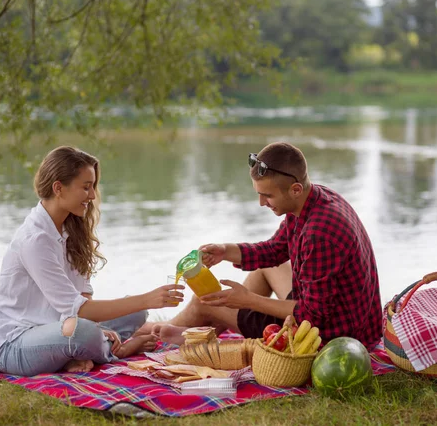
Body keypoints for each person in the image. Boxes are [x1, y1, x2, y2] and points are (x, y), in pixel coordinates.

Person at [156, 142, 382, 348]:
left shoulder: (318, 232)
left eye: (267, 196)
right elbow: (274, 250)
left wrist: (248, 300)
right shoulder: (311, 198)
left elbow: (312, 317)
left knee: (205, 301)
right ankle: (199, 334)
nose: (261, 203)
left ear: (295, 189)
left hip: (333, 335)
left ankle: (154, 334)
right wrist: (225, 251)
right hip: (338, 310)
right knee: (264, 268)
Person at [0, 146, 184, 376]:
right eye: (86, 187)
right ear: (58, 188)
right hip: (16, 345)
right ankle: (115, 351)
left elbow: (83, 297)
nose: (92, 196)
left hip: (63, 329)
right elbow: (80, 311)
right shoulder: (35, 240)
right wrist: (148, 299)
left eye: (93, 187)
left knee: (135, 314)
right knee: (84, 332)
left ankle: (81, 352)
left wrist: (107, 323)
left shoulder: (70, 230)